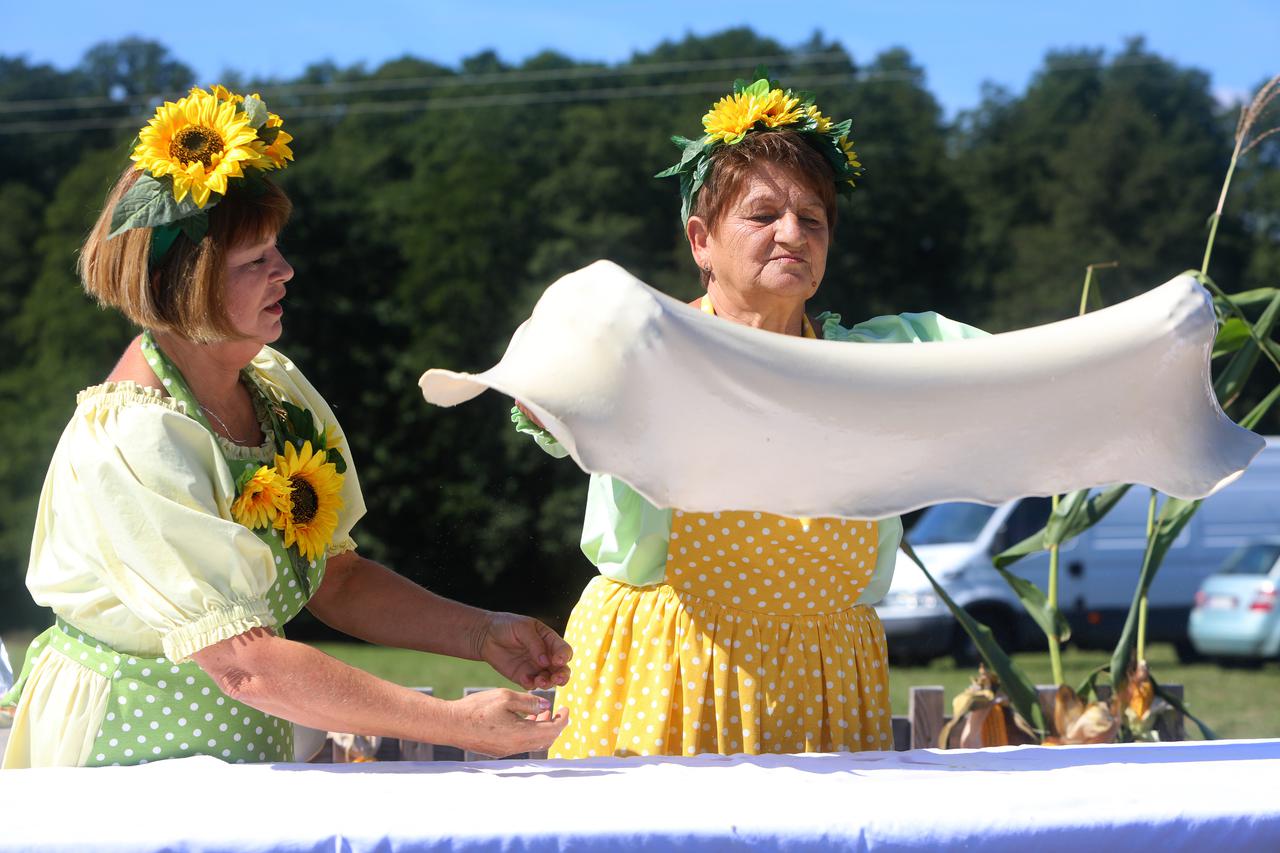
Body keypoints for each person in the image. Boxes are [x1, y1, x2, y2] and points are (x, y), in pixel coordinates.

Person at [1, 86, 570, 768]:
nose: (286, 272)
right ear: (188, 282)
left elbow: (339, 579)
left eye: (277, 251)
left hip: (245, 735)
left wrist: (483, 633)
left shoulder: (275, 390)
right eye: (255, 262)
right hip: (126, 749)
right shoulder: (133, 439)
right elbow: (244, 664)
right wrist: (455, 722)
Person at [514, 75, 985, 758]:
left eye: (813, 220)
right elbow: (548, 373)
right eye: (763, 215)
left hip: (827, 671)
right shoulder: (643, 348)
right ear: (701, 239)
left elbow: (1026, 367)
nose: (792, 233)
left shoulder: (882, 359)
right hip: (671, 665)